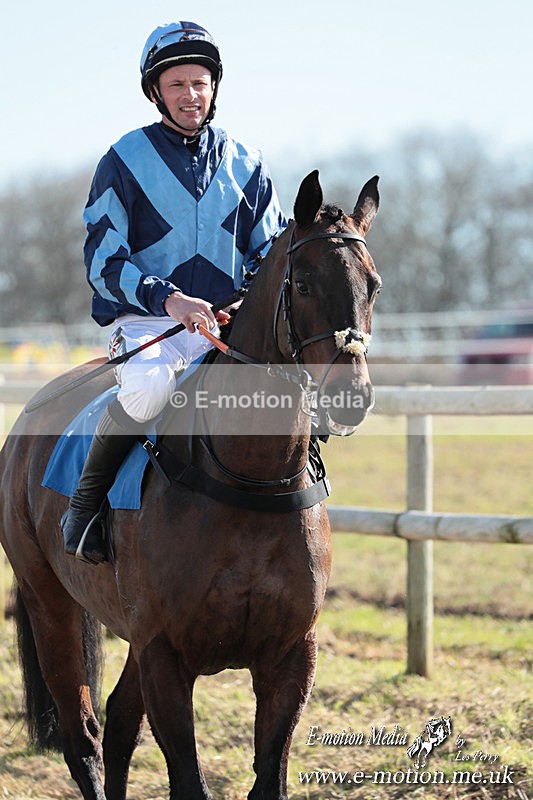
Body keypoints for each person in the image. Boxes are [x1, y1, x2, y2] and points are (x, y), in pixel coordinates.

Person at [61, 21, 286, 564]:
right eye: (178, 84)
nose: (192, 95)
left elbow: (272, 251)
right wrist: (169, 300)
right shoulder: (123, 160)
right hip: (146, 324)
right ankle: (85, 508)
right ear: (156, 90)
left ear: (215, 87)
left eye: (201, 82)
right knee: (148, 391)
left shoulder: (246, 164)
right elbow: (103, 262)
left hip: (224, 327)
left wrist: (245, 301)